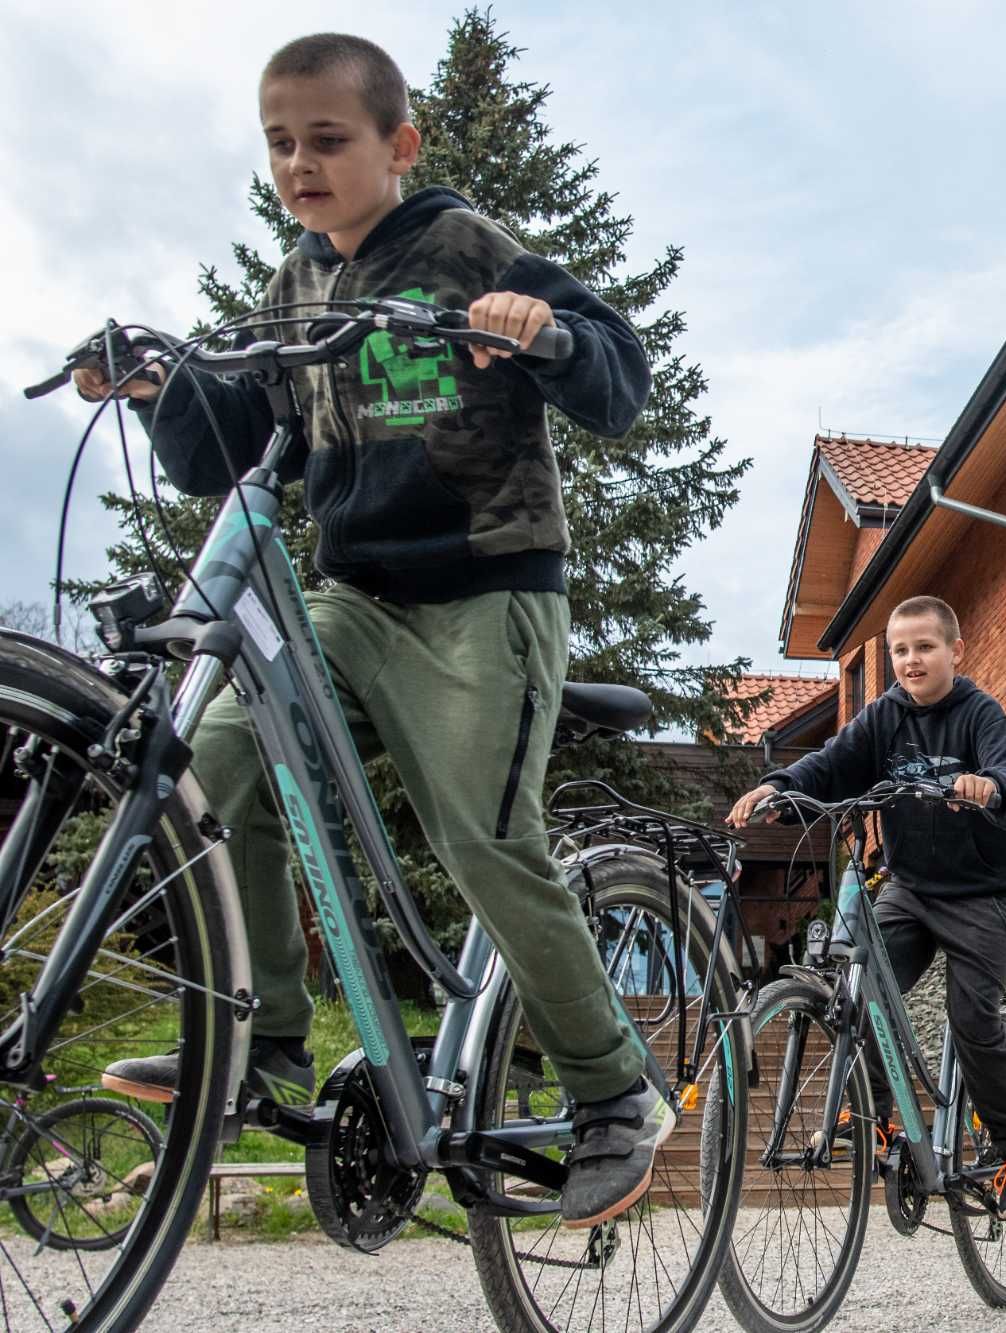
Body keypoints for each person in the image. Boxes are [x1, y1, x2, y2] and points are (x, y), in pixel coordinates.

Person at [76, 33, 662, 1230]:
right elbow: (230, 441)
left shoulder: (463, 245)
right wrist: (157, 384)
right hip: (348, 598)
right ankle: (263, 1041)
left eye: (327, 140)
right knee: (211, 770)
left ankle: (614, 1092)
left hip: (485, 590)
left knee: (482, 842)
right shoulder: (298, 280)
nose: (300, 163)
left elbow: (617, 374)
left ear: (397, 146)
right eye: (280, 144)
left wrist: (537, 331)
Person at [726, 596, 1006, 1220]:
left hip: (985, 896)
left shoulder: (978, 713)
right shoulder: (883, 717)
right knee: (861, 986)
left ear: (955, 651)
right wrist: (778, 786)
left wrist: (992, 788)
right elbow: (830, 764)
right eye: (900, 650)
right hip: (910, 887)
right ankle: (873, 1117)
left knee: (970, 1014)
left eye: (925, 647)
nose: (911, 660)